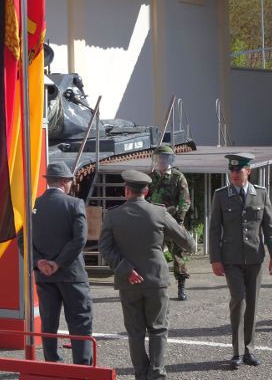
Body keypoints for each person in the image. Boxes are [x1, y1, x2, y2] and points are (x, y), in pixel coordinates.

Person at [100, 169, 195, 380]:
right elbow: (187, 242)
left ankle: (141, 375)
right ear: (147, 191)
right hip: (156, 280)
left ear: (126, 190)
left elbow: (105, 249)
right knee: (158, 329)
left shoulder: (113, 215)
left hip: (128, 282)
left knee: (135, 333)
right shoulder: (159, 212)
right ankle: (157, 374)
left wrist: (126, 270)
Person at [209, 153, 272, 370]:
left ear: (248, 171)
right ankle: (237, 352)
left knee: (252, 304)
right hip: (230, 259)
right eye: (231, 171)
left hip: (254, 258)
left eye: (238, 171)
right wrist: (215, 259)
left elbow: (269, 226)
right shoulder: (221, 195)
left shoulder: (261, 193)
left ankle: (249, 349)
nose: (234, 175)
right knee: (238, 301)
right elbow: (213, 230)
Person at [32, 161, 93, 365]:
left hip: (43, 275)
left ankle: (52, 364)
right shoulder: (75, 204)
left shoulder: (34, 205)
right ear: (64, 182)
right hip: (71, 275)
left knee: (48, 322)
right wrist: (58, 263)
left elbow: (22, 239)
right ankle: (82, 367)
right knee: (79, 321)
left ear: (48, 181)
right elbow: (80, 239)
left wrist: (39, 261)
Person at [148, 144, 191, 300]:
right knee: (153, 253)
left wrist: (179, 219)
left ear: (169, 160)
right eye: (159, 159)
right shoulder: (151, 178)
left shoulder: (177, 177)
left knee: (179, 253)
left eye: (164, 159)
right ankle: (156, 285)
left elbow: (185, 201)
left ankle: (181, 287)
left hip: (173, 220)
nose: (161, 162)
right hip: (154, 221)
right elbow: (145, 197)